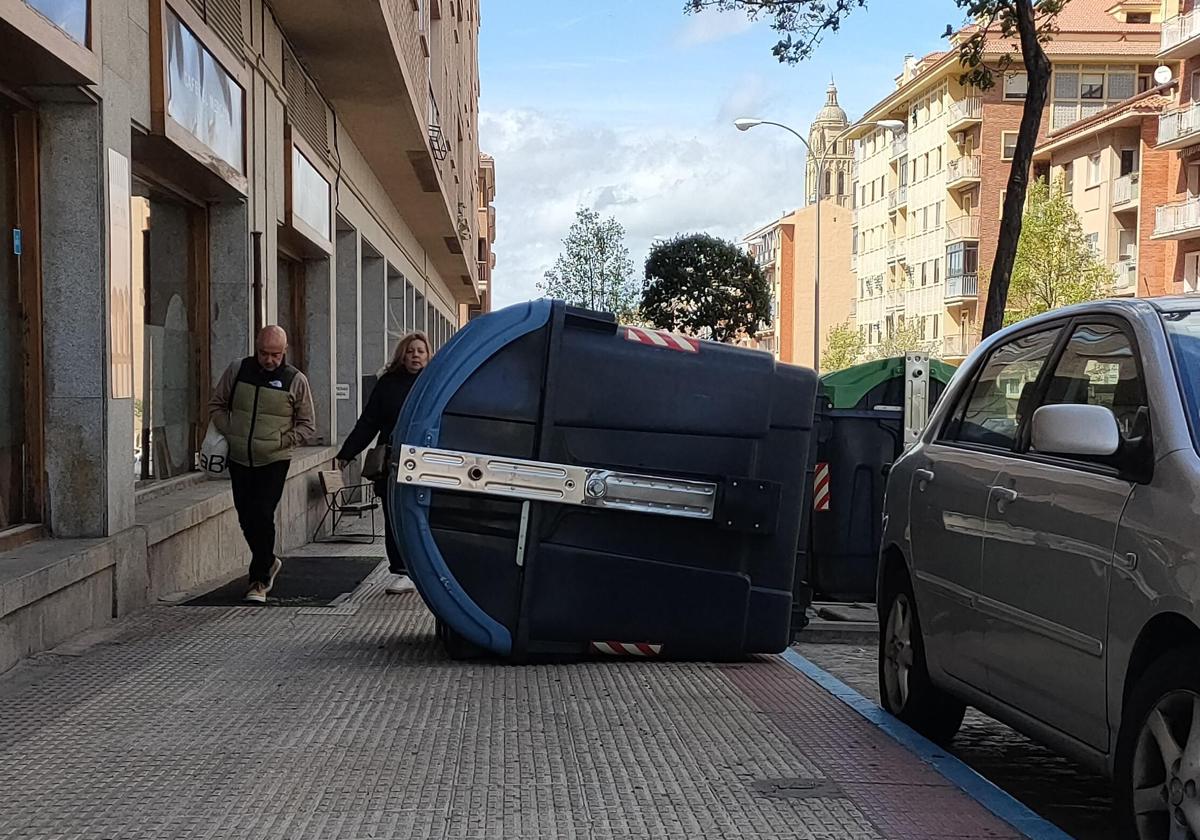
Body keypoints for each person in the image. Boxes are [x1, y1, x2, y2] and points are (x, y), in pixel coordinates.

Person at [209, 325, 316, 604]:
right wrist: (229, 429)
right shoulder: (238, 370)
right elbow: (217, 404)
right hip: (240, 457)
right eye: (263, 353)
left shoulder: (295, 380)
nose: (269, 360)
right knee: (246, 517)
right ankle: (269, 560)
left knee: (263, 514)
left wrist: (282, 440)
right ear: (256, 348)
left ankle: (258, 579)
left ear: (285, 352)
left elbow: (308, 425)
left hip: (273, 459)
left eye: (275, 355)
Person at [336, 331, 431, 594]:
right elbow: (369, 421)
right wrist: (347, 453)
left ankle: (423, 570)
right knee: (394, 516)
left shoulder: (433, 384)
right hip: (392, 461)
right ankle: (402, 571)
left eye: (420, 351)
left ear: (428, 355)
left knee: (421, 516)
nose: (415, 355)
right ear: (402, 355)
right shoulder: (388, 384)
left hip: (426, 462)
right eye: (410, 351)